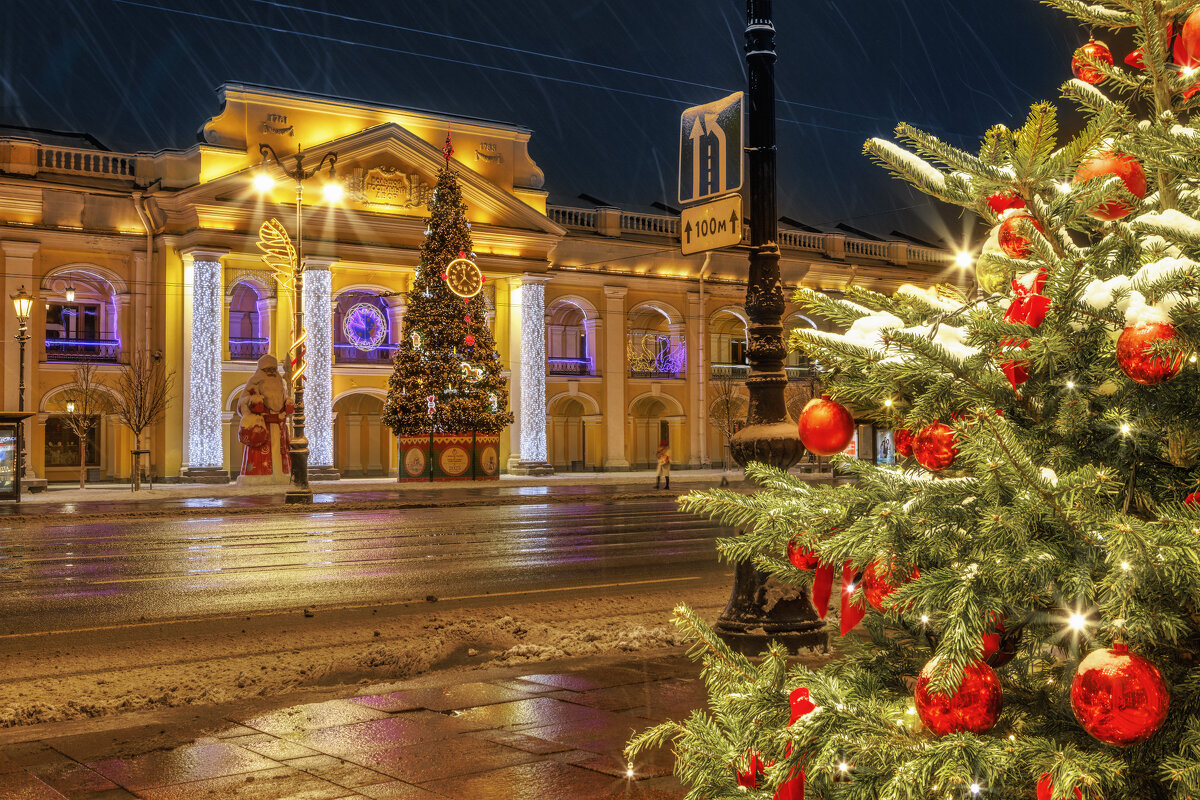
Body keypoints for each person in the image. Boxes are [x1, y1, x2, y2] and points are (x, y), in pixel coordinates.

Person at [236, 354, 294, 486]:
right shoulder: (254, 383)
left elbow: (284, 400)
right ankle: (259, 476)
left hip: (280, 428)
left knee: (281, 453)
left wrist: (288, 403)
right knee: (261, 454)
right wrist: (251, 401)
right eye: (268, 369)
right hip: (263, 427)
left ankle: (282, 475)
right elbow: (241, 405)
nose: (271, 372)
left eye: (273, 369)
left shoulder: (281, 383)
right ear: (262, 370)